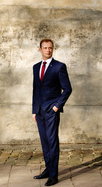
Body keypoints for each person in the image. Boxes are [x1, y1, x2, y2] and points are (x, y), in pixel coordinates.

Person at [32, 38, 72, 186]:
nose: (48, 50)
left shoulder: (59, 66)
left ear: (52, 49)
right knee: (44, 142)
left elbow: (67, 89)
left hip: (51, 111)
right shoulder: (36, 67)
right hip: (40, 112)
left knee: (52, 141)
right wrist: (34, 110)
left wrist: (56, 107)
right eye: (45, 48)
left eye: (50, 48)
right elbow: (36, 89)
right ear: (40, 49)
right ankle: (48, 170)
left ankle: (54, 175)